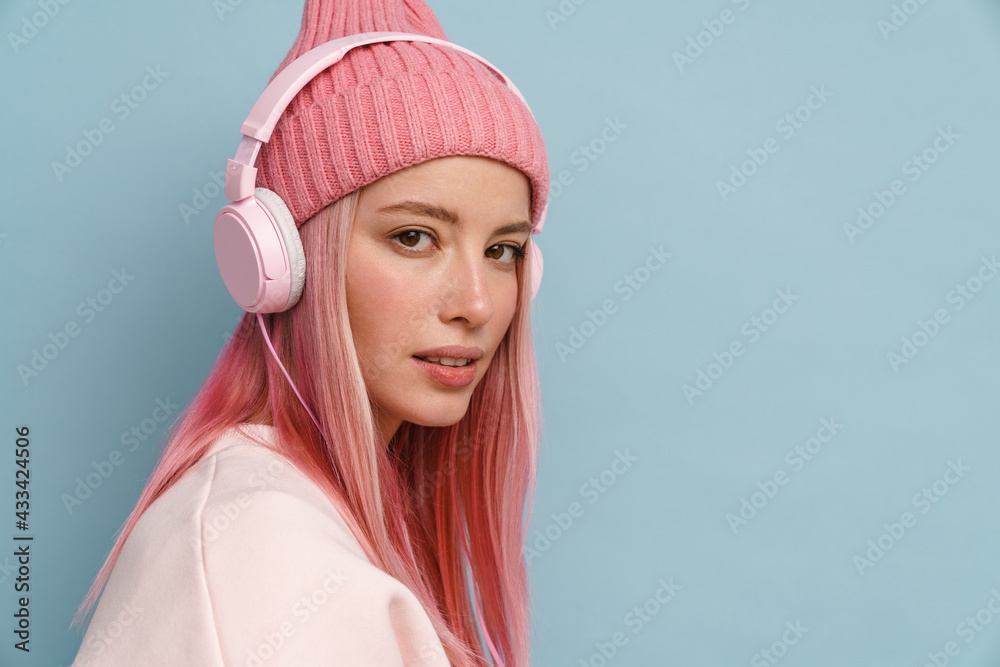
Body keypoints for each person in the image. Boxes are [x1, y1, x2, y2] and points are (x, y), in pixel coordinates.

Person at [69, 1, 550, 666]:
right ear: (279, 261)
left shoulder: (296, 519)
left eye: (504, 250)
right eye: (415, 237)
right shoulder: (262, 548)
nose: (476, 302)